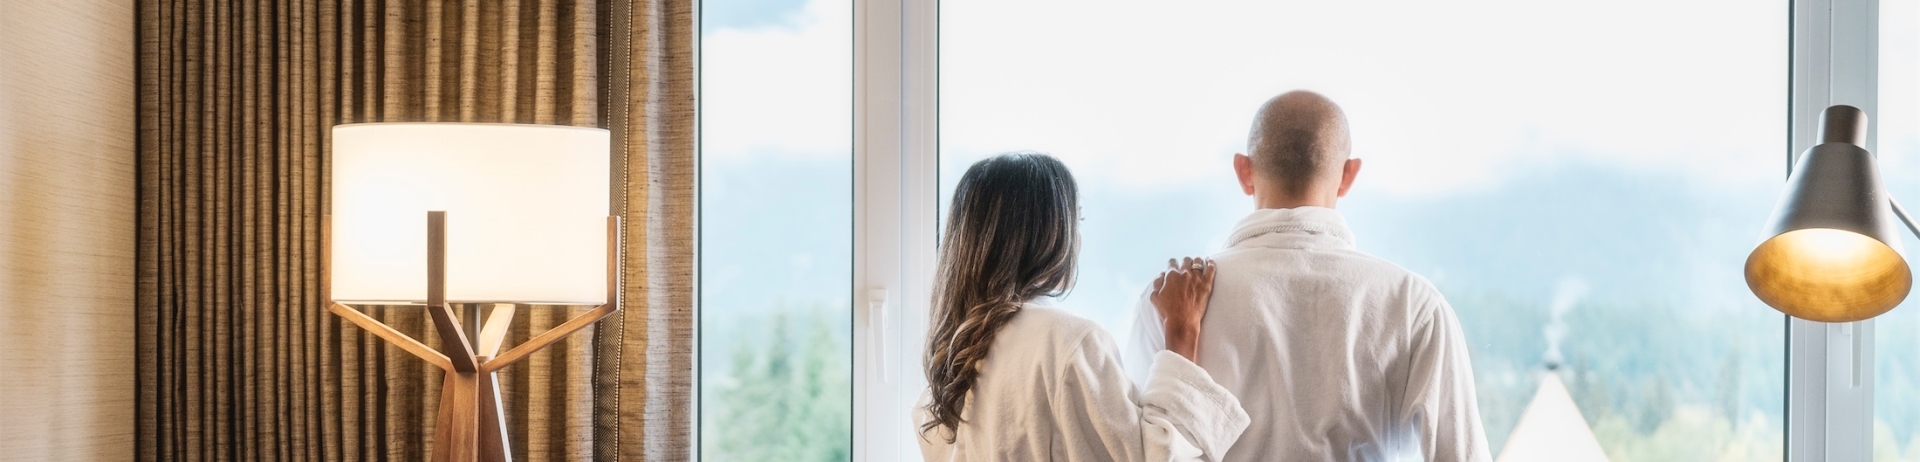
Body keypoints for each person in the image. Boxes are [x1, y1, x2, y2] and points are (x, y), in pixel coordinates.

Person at [1126, 91, 1491, 462]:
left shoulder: (1168, 302)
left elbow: (1143, 450)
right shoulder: (1415, 305)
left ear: (1243, 171)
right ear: (1348, 175)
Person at [914, 152, 1251, 461]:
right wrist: (1181, 327)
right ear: (1047, 233)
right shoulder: (1064, 341)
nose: (1078, 240)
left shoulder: (943, 381)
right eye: (1078, 221)